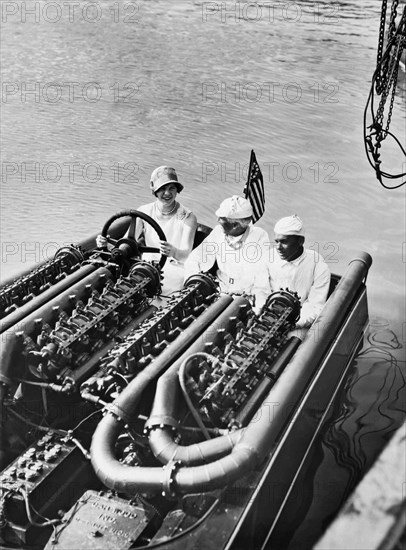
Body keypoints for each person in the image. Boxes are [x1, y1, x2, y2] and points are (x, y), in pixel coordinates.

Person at [97, 166, 197, 294]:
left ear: (177, 190)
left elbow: (185, 254)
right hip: (145, 264)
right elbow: (127, 243)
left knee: (158, 288)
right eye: (162, 189)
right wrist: (105, 243)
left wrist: (173, 251)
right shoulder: (144, 211)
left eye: (172, 188)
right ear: (154, 190)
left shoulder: (188, 217)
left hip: (174, 268)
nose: (167, 193)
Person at [184, 195, 271, 313]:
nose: (217, 221)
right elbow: (195, 259)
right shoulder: (218, 232)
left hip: (245, 296)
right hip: (219, 288)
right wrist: (192, 285)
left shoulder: (260, 238)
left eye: (221, 218)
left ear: (235, 225)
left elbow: (261, 280)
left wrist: (258, 308)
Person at [268, 214, 331, 337]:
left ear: (301, 241)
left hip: (298, 321)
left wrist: (291, 324)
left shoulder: (318, 265)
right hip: (268, 314)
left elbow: (315, 306)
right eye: (276, 241)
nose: (278, 247)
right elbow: (260, 291)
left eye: (284, 242)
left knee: (293, 344)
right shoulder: (267, 258)